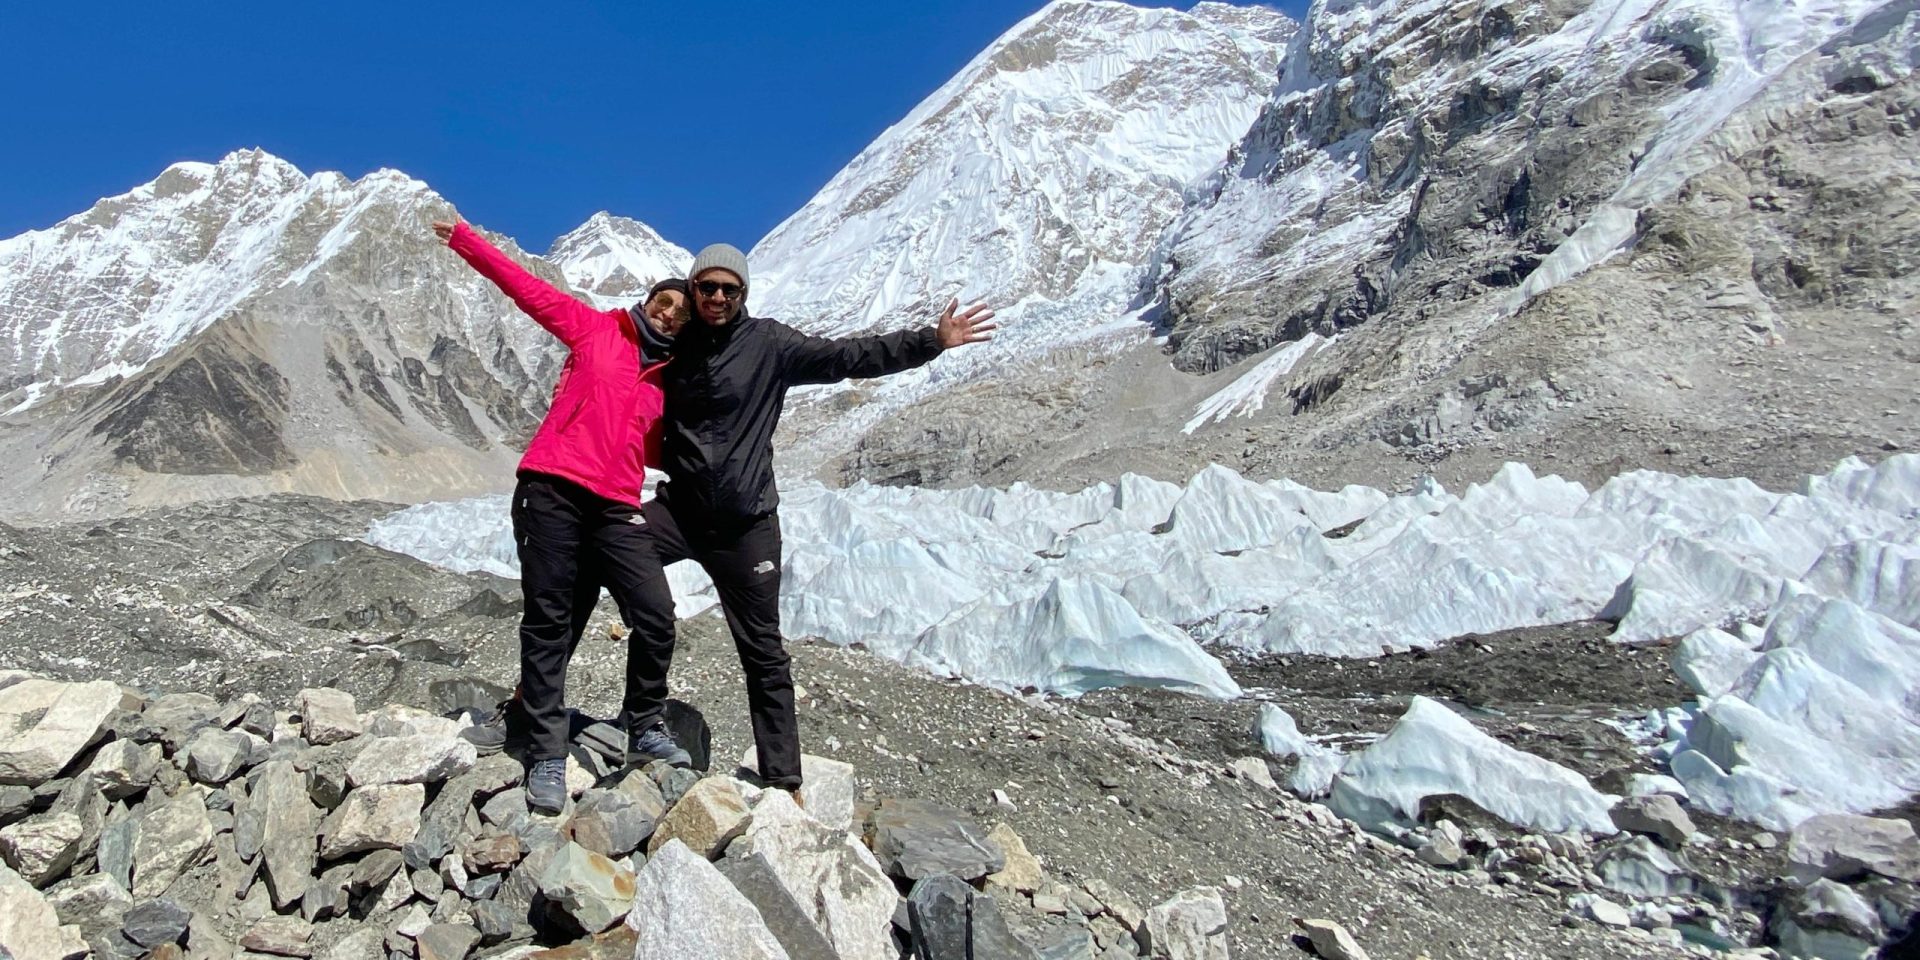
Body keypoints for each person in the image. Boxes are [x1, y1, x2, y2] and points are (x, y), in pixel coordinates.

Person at [619, 243, 996, 792]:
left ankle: (783, 780)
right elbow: (610, 358)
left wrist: (931, 342)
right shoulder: (676, 343)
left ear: (743, 294)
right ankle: (619, 716)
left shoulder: (769, 343)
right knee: (600, 548)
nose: (718, 297)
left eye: (731, 289)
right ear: (694, 287)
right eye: (708, 287)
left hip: (747, 527)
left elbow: (848, 357)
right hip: (679, 512)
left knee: (764, 654)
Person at [432, 218, 694, 815]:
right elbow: (527, 290)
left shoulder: (670, 380)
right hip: (551, 490)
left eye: (681, 311)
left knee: (655, 614)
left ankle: (645, 722)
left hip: (616, 507)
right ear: (647, 300)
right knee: (551, 621)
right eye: (664, 301)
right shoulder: (597, 330)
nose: (670, 314)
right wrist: (467, 240)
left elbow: (675, 445)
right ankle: (546, 752)